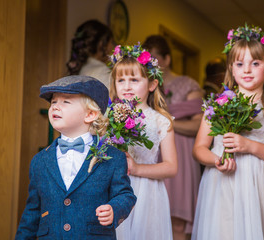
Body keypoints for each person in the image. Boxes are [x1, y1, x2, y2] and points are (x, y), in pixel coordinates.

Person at [192, 25, 264, 240]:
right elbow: (199, 148)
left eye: (255, 63)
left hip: (263, 186)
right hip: (223, 183)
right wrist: (216, 160)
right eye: (240, 64)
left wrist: (250, 146)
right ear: (231, 68)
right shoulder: (216, 106)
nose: (247, 70)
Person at [15, 75, 136, 240]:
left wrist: (114, 209)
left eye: (65, 102)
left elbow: (125, 195)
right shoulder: (39, 161)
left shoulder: (113, 157)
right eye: (53, 102)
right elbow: (32, 212)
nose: (56, 107)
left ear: (90, 114)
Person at [109, 43, 178, 240]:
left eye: (134, 79)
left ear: (152, 84)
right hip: (112, 189)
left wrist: (137, 168)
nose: (127, 86)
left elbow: (171, 167)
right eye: (120, 80)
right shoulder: (106, 118)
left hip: (146, 193)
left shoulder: (160, 121)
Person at [143, 35, 203, 240]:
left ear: (167, 59)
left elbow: (199, 125)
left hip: (181, 155)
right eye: (146, 58)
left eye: (155, 57)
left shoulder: (188, 85)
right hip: (151, 152)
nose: (151, 62)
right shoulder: (142, 86)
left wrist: (163, 123)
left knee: (177, 219)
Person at [66, 20, 114, 88]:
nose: (112, 47)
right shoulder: (102, 71)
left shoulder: (79, 69)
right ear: (101, 44)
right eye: (111, 42)